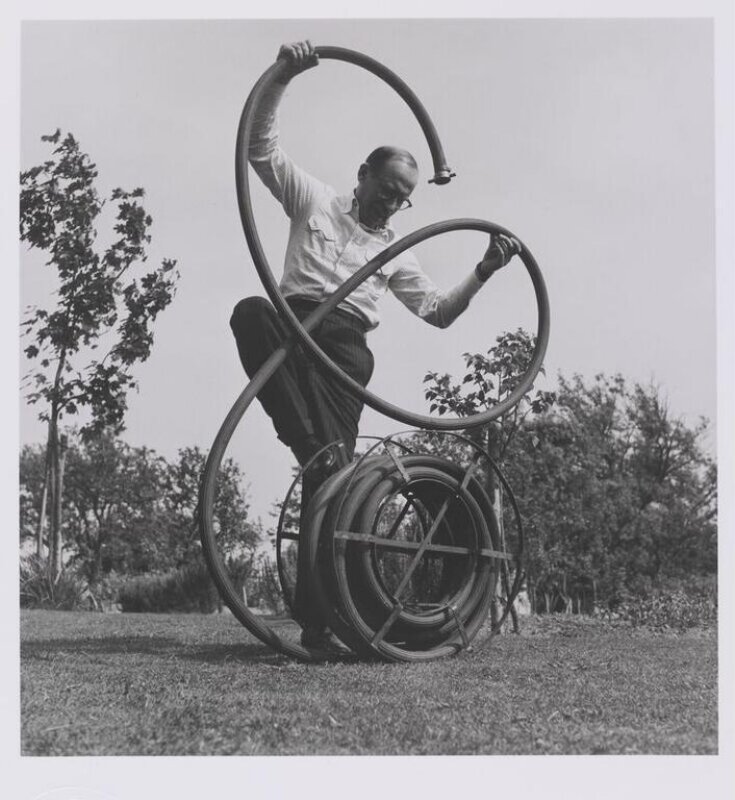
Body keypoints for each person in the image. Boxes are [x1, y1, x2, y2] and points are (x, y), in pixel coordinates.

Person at [230, 41, 522, 651]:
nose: (393, 202)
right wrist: (285, 75)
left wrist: (485, 269)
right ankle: (309, 440)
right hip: (293, 324)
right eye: (387, 187)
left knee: (327, 480)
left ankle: (318, 626)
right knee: (250, 313)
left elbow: (438, 312)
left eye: (403, 196)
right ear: (362, 175)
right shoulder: (312, 199)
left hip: (344, 355)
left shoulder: (395, 252)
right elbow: (260, 149)